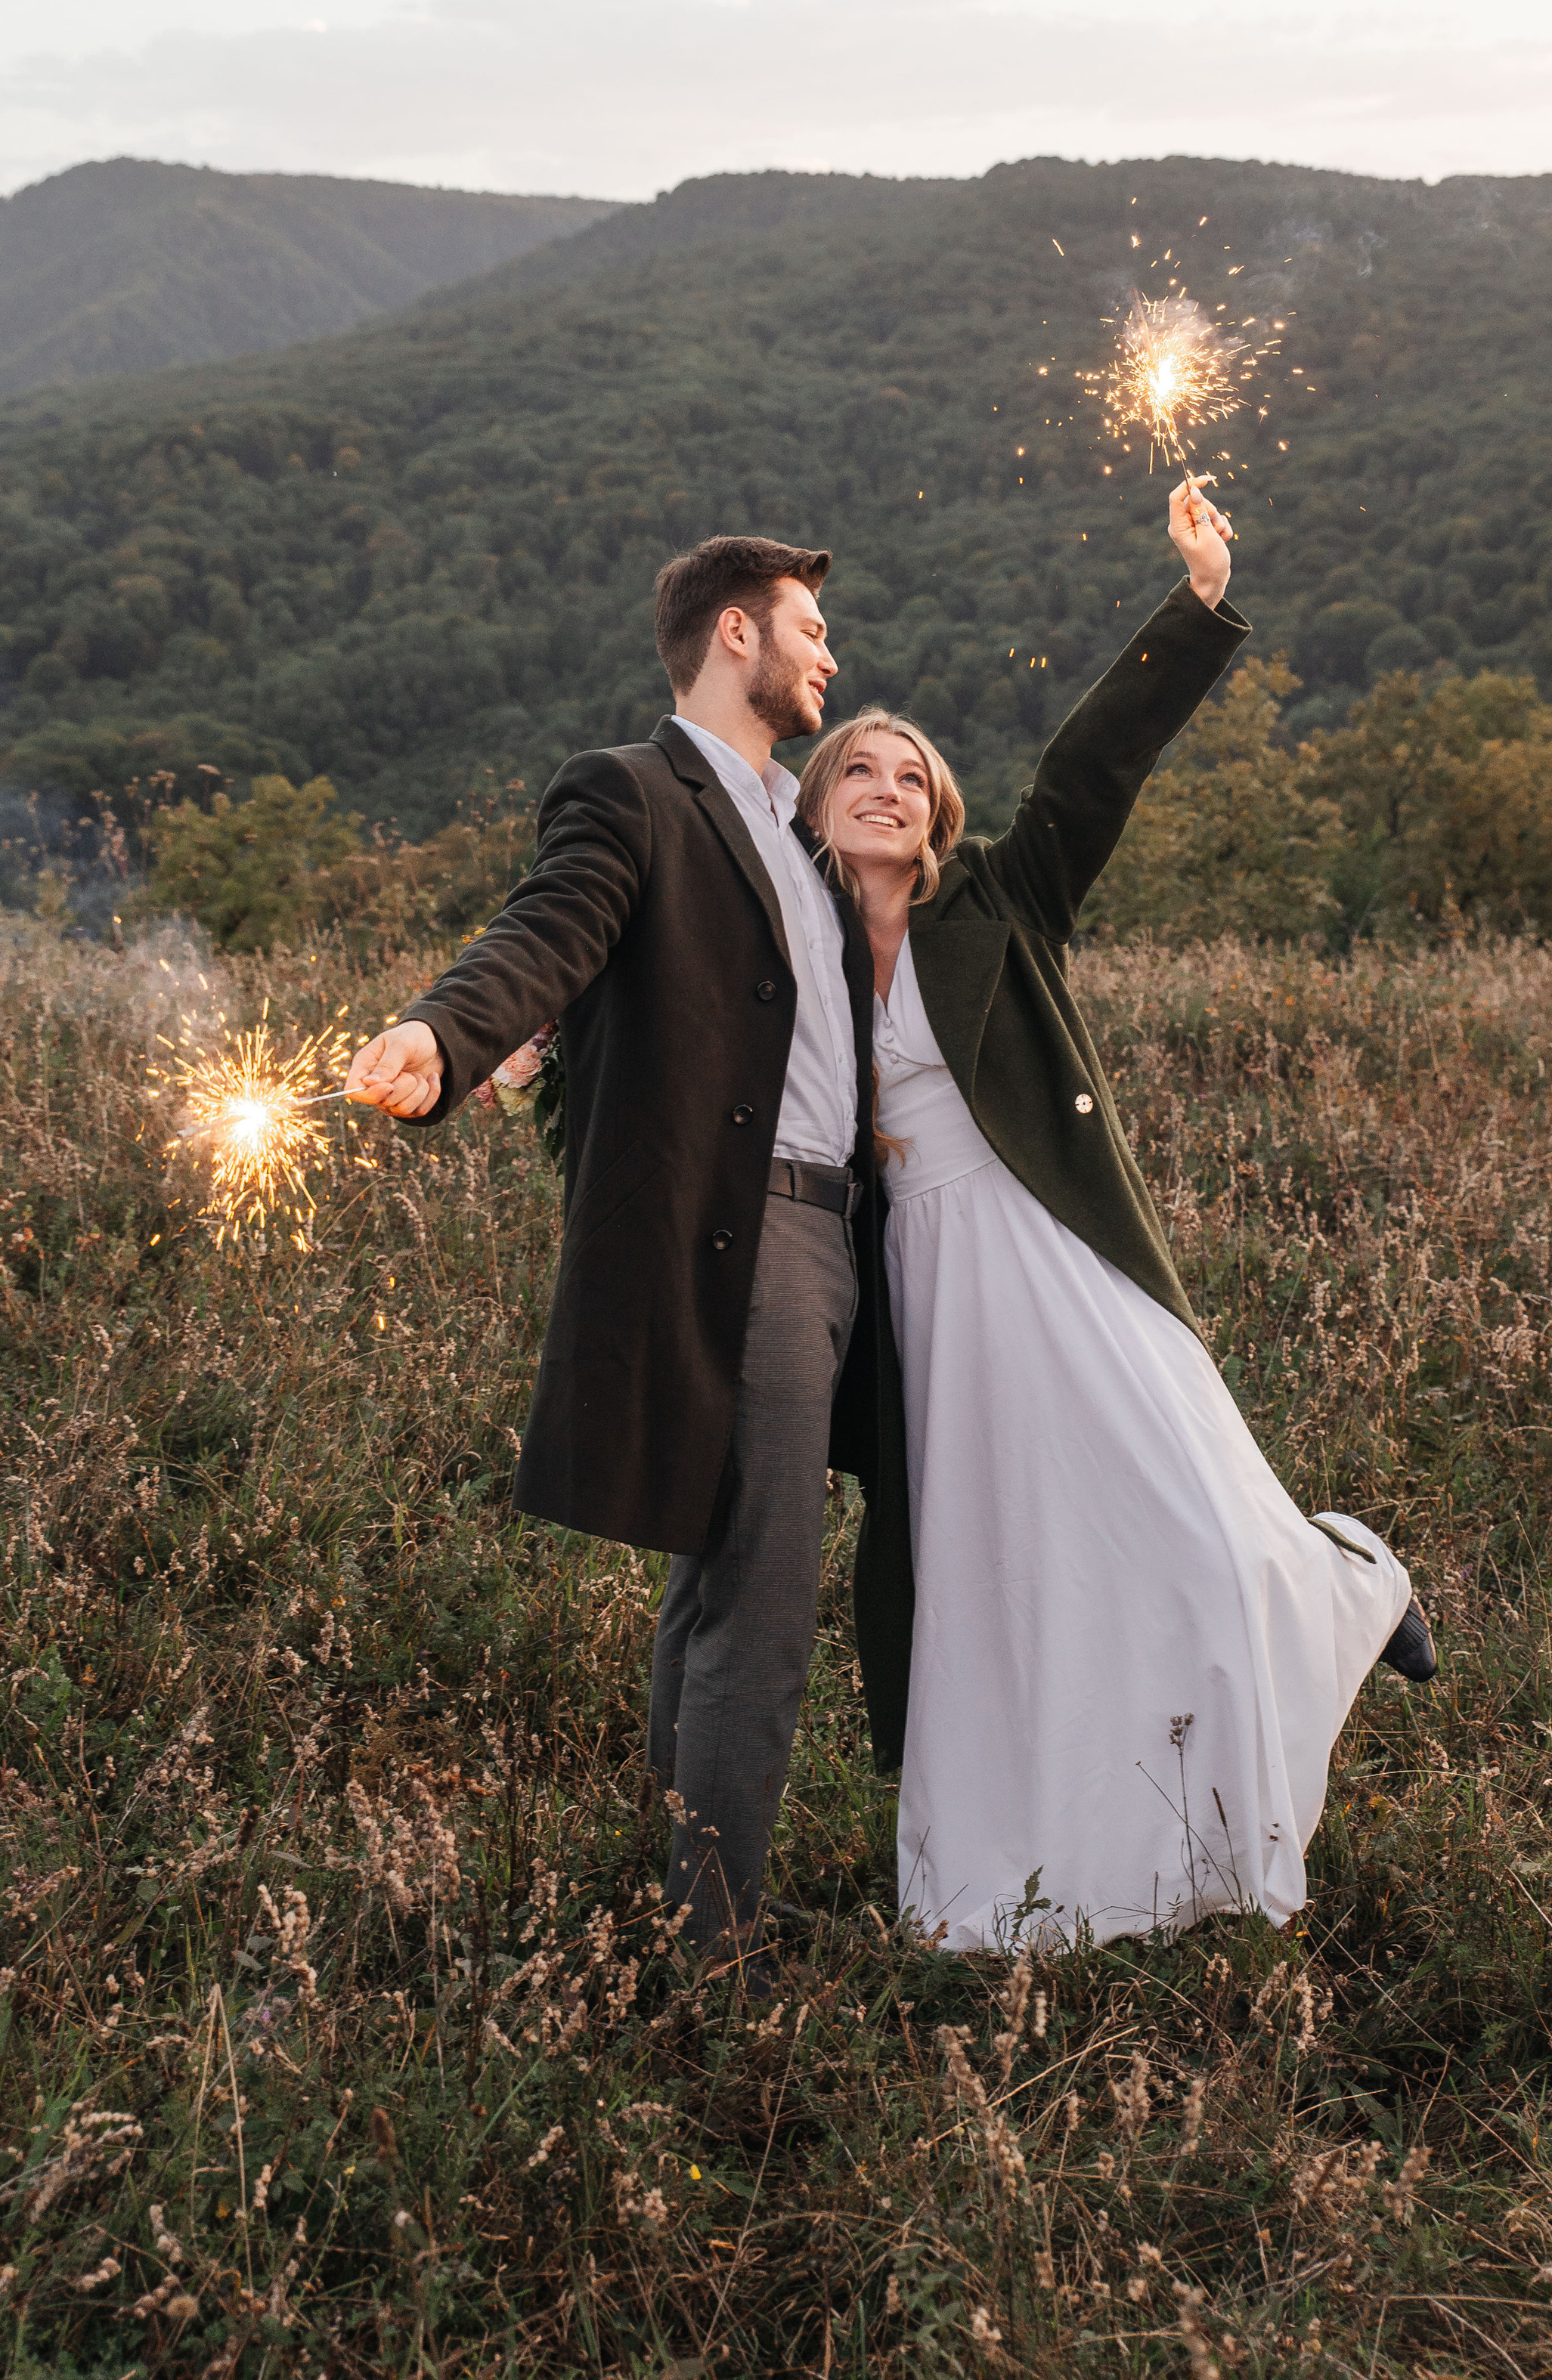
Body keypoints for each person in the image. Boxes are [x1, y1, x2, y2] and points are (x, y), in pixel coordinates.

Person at [795, 481, 1434, 1953]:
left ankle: (1346, 1584)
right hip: (925, 1304)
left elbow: (1091, 771)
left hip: (1057, 1258)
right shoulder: (796, 960)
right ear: (817, 813)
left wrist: (1195, 607)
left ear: (935, 812)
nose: (884, 783)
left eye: (907, 772)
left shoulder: (1001, 906)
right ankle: (1017, 1892)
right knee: (1000, 1586)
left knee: (1192, 1534)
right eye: (855, 771)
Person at [343, 536, 911, 1981]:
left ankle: (673, 1914)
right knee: (765, 1594)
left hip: (833, 1237)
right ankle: (717, 1956)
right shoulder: (634, 791)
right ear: (737, 632)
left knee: (713, 1576)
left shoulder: (797, 826)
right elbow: (547, 933)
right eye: (811, 629)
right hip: (750, 1239)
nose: (830, 657)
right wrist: (448, 1035)